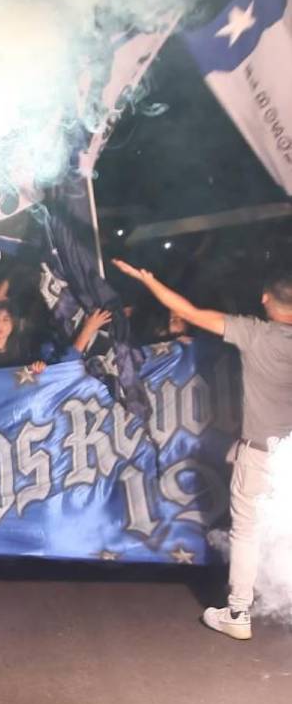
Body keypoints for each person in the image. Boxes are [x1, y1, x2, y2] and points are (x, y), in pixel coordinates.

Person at [114, 260, 292, 641]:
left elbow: (189, 312)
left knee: (246, 531)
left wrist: (148, 279)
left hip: (263, 453)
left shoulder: (254, 333)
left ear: (265, 299)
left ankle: (238, 611)